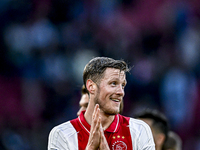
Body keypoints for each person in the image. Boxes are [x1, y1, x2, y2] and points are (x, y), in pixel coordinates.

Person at [48, 57, 155, 150]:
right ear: (91, 86)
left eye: (123, 85)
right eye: (113, 83)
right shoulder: (62, 134)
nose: (121, 92)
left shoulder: (139, 130)